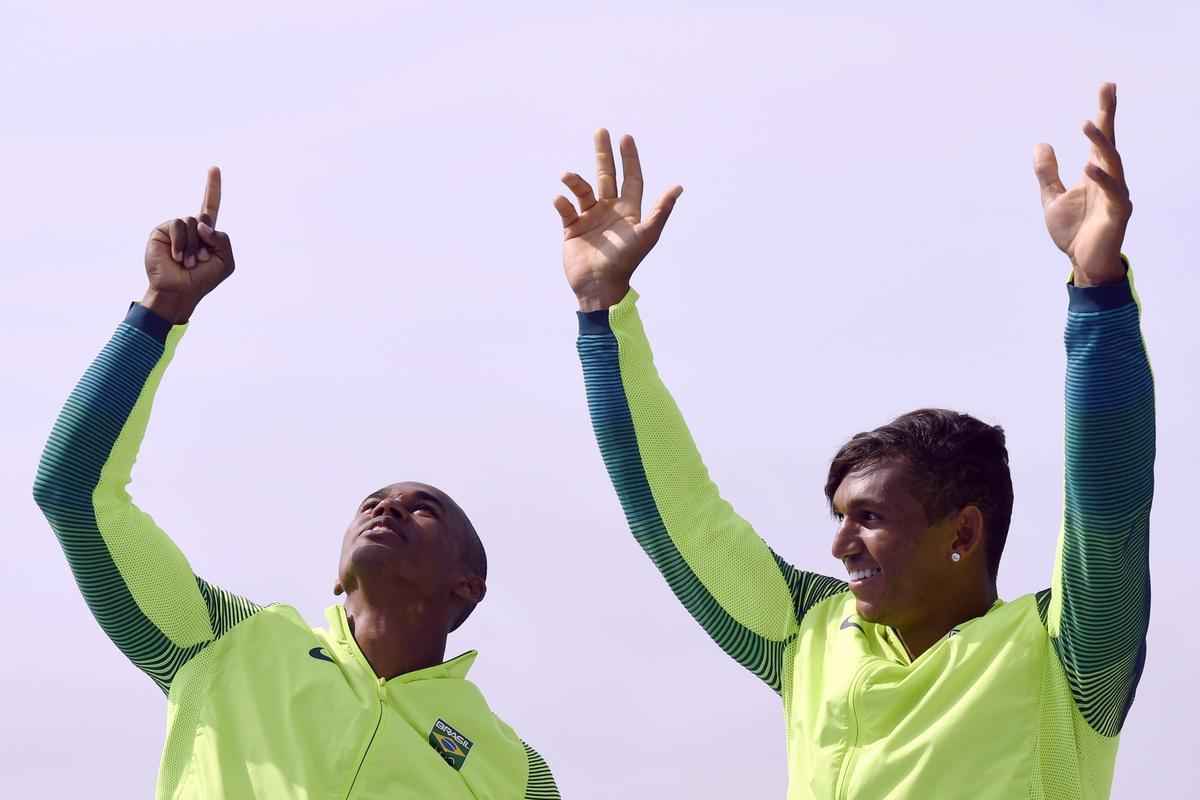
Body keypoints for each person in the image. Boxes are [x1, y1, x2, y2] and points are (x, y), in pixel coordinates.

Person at [554, 83, 1151, 799]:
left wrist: (1097, 289)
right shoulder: (805, 634)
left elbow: (1104, 512)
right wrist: (601, 307)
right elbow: (673, 517)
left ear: (963, 530)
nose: (839, 544)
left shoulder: (1069, 658)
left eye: (868, 517)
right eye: (840, 517)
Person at [33, 169, 561, 799]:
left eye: (425, 510)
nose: (387, 508)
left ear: (466, 588)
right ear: (339, 575)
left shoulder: (517, 772)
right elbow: (73, 491)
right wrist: (160, 312)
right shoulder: (225, 642)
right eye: (372, 503)